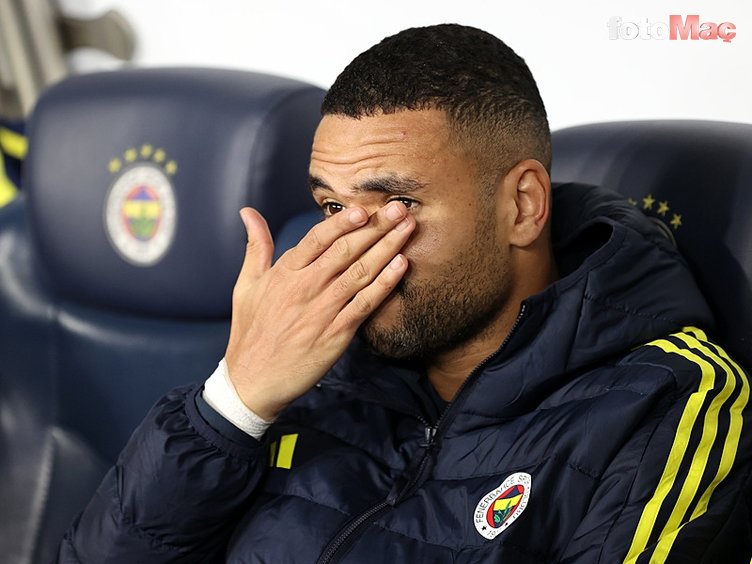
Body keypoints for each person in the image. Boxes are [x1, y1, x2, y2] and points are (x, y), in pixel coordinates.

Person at [57, 24, 751, 563]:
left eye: (396, 206)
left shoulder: (667, 404)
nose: (353, 249)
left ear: (522, 207)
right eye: (333, 208)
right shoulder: (306, 361)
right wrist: (232, 404)